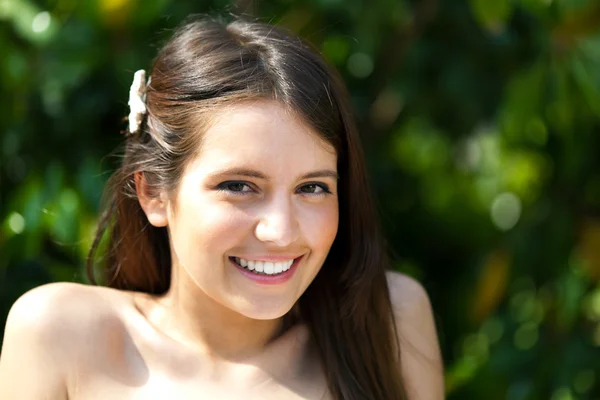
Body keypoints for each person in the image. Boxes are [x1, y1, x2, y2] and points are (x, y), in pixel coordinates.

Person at [0, 15, 444, 400]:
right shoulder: (60, 335)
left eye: (311, 188)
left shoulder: (386, 320)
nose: (281, 231)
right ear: (154, 192)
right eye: (239, 185)